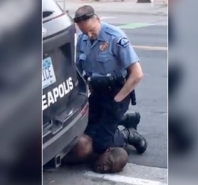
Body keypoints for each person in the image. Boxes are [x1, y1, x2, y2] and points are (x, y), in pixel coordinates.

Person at [62, 5, 147, 173]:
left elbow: (137, 74)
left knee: (101, 143)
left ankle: (128, 134)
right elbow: (78, 69)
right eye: (85, 32)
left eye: (92, 31)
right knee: (85, 128)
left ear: (98, 20)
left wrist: (118, 99)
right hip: (97, 92)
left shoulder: (115, 37)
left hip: (117, 93)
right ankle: (122, 120)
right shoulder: (83, 40)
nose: (90, 36)